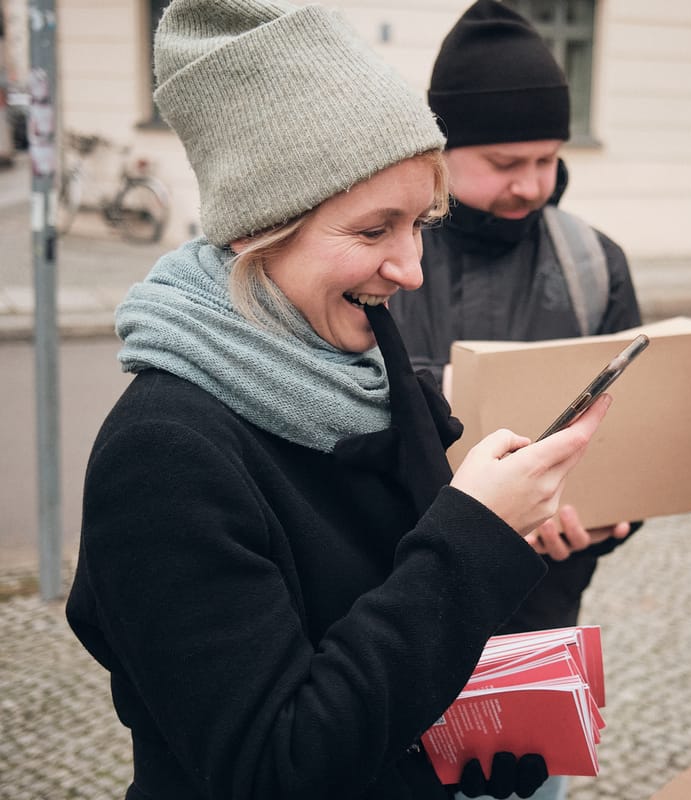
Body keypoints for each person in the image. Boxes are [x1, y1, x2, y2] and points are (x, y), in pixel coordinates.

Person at [64, 1, 614, 798]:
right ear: (259, 230)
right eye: (372, 231)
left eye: (420, 223)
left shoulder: (365, 370)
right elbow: (276, 765)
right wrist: (474, 532)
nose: (411, 268)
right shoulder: (163, 455)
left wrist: (474, 735)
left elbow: (395, 636)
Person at [389, 1, 641, 658]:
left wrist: (604, 524)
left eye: (548, 159)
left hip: (540, 618)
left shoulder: (594, 263)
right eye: (506, 163)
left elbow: (631, 443)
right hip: (393, 621)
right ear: (442, 150)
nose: (532, 185)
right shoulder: (384, 261)